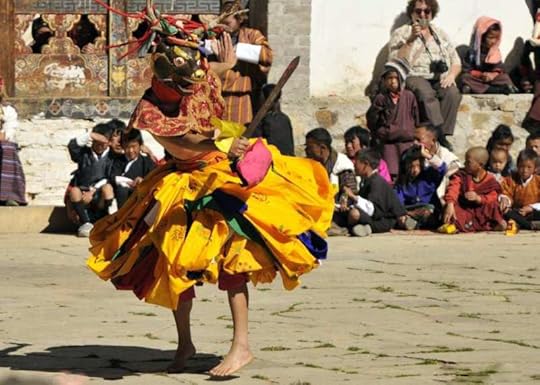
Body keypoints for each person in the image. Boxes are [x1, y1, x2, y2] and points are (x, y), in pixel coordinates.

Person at [85, 5, 334, 378]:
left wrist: (229, 60)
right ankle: (185, 341)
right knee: (173, 262)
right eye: (182, 86)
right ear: (164, 82)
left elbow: (215, 72)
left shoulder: (198, 77)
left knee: (235, 258)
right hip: (182, 179)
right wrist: (221, 144)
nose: (191, 88)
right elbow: (185, 140)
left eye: (192, 82)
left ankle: (241, 345)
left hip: (219, 178)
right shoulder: (150, 112)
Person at [389, 0, 462, 150]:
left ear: (432, 13)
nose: (422, 14)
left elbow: (456, 61)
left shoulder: (440, 34)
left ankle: (443, 134)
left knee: (452, 93)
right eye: (418, 11)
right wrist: (410, 40)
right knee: (425, 93)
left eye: (427, 11)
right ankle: (439, 137)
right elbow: (394, 61)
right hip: (414, 75)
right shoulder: (402, 33)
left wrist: (452, 76)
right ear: (411, 12)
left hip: (439, 77)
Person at [209, 0, 273, 124]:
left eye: (228, 23)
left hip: (241, 96)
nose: (225, 27)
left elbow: (268, 55)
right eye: (222, 23)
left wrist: (238, 50)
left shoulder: (252, 35)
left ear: (239, 19)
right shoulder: (216, 37)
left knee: (240, 135)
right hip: (217, 96)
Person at [367, 58, 419, 179]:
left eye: (395, 78)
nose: (392, 82)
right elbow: (373, 120)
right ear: (384, 81)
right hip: (389, 143)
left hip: (407, 141)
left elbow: (416, 116)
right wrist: (382, 131)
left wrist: (414, 132)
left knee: (407, 172)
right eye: (389, 78)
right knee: (391, 173)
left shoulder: (409, 96)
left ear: (401, 79)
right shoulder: (381, 98)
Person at [342, 149, 407, 236]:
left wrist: (353, 196)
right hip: (375, 217)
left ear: (365, 164)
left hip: (384, 220)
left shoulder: (376, 182)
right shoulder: (367, 181)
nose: (354, 165)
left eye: (356, 162)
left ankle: (367, 227)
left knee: (354, 214)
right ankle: (364, 228)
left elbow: (372, 209)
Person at [305, 127, 356, 236]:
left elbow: (349, 189)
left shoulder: (342, 164)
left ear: (322, 148)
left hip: (337, 211)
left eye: (310, 148)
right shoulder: (311, 164)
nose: (307, 151)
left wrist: (344, 200)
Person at [442, 147, 506, 233]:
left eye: (468, 162)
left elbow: (493, 196)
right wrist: (450, 204)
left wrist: (478, 198)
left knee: (494, 205)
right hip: (465, 207)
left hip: (481, 208)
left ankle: (495, 224)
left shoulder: (490, 179)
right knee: (454, 209)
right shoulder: (461, 175)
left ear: (480, 165)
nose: (464, 164)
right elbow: (453, 188)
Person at [67, 123, 115, 237]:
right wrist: (90, 135)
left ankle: (105, 222)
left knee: (107, 189)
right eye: (97, 141)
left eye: (103, 143)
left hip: (100, 194)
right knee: (74, 191)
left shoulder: (113, 157)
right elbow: (72, 146)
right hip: (83, 193)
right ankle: (86, 223)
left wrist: (93, 191)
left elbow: (110, 177)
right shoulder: (83, 154)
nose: (100, 145)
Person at [460, 17, 517, 94]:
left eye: (496, 38)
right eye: (490, 38)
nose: (493, 41)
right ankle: (494, 90)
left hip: (491, 79)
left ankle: (479, 89)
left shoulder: (495, 52)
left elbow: (499, 69)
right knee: (465, 78)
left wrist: (493, 75)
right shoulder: (472, 53)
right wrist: (480, 75)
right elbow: (466, 70)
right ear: (481, 36)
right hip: (478, 79)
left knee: (504, 78)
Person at [394, 145, 446, 229]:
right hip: (410, 210)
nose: (415, 170)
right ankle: (412, 223)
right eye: (411, 166)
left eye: (417, 166)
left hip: (428, 209)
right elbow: (398, 203)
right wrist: (409, 213)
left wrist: (427, 155)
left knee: (428, 212)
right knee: (400, 217)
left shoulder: (429, 175)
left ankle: (417, 224)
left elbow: (443, 168)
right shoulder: (402, 182)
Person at [108, 129, 156, 209]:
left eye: (134, 146)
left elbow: (154, 178)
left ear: (140, 145)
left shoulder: (147, 162)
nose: (131, 151)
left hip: (140, 199)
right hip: (121, 198)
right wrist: (129, 182)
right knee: (121, 190)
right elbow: (113, 177)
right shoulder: (117, 161)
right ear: (122, 146)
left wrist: (143, 181)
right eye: (127, 147)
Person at [413, 124, 461, 202]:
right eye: (413, 139)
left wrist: (430, 158)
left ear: (433, 140)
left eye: (418, 140)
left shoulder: (450, 160)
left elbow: (453, 185)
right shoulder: (412, 154)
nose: (414, 143)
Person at [0, 78, 26, 206]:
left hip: (1, 143)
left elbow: (8, 134)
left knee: (8, 148)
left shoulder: (8, 111)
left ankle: (9, 195)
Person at [499, 149, 540, 230]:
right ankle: (529, 225)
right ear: (517, 166)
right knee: (506, 212)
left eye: (529, 167)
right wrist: (505, 199)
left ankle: (522, 224)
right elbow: (506, 192)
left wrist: (531, 208)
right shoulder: (511, 179)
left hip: (533, 212)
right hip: (517, 212)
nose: (525, 170)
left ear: (536, 168)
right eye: (522, 166)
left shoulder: (538, 181)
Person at [251, 83, 295, 156]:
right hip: (288, 161)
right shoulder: (284, 118)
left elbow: (255, 142)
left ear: (263, 98)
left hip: (273, 160)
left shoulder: (263, 120)